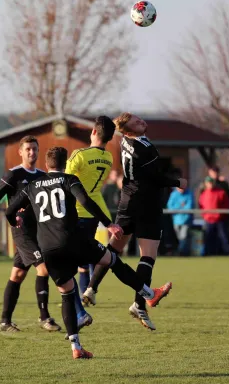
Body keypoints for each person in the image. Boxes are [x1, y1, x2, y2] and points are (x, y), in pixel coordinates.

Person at [5, 147, 172, 359]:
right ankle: (149, 294)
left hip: (47, 248)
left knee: (66, 293)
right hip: (73, 239)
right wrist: (108, 224)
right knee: (112, 260)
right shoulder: (69, 180)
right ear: (65, 164)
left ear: (46, 165)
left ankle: (76, 346)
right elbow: (85, 202)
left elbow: (10, 211)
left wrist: (14, 220)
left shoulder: (32, 186)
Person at [83, 112, 186, 330]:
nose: (141, 121)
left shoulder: (126, 142)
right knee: (148, 256)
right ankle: (139, 304)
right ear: (128, 130)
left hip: (128, 202)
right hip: (146, 204)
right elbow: (156, 178)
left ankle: (91, 289)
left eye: (139, 118)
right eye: (135, 122)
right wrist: (178, 181)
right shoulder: (143, 148)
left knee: (114, 249)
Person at [0, 135, 61, 333]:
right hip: (21, 233)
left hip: (38, 232)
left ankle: (4, 322)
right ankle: (45, 317)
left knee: (18, 274)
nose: (32, 152)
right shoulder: (13, 175)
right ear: (20, 152)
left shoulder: (42, 176)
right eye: (28, 149)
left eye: (35, 149)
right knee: (44, 268)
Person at [65, 116, 115, 304]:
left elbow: (65, 180)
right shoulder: (108, 157)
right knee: (86, 257)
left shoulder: (80, 155)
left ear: (94, 132)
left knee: (72, 260)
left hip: (76, 211)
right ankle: (89, 291)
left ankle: (75, 301)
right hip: (94, 212)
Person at [198, 176, 229, 255]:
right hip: (208, 220)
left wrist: (221, 215)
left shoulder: (221, 192)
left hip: (219, 220)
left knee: (223, 238)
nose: (210, 184)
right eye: (208, 183)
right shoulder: (203, 194)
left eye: (211, 182)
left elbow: (226, 204)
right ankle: (208, 254)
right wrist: (205, 216)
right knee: (208, 238)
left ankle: (227, 253)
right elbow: (201, 206)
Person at [167, 180, 194, 256]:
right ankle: (183, 252)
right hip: (176, 220)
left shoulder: (189, 194)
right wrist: (180, 207)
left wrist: (177, 209)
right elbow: (170, 206)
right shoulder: (174, 194)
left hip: (186, 220)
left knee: (184, 237)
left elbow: (189, 207)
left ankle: (180, 252)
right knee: (180, 238)